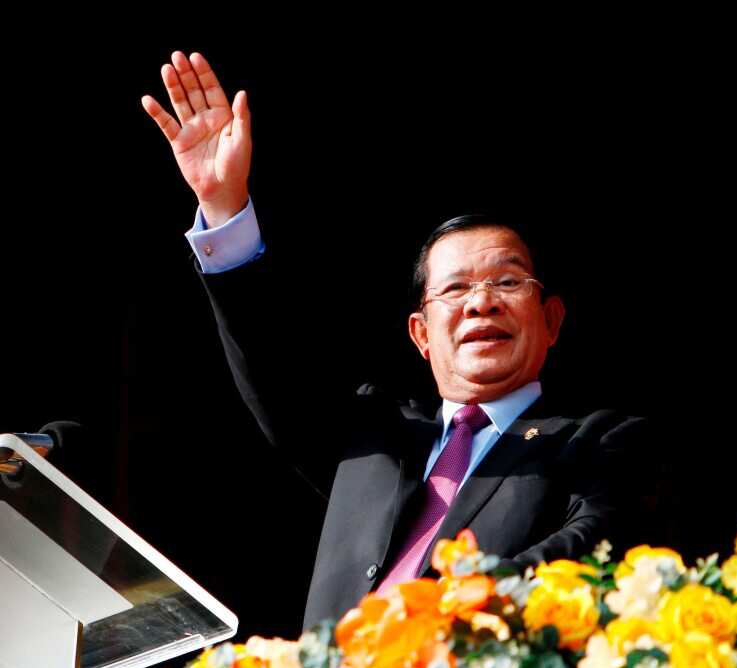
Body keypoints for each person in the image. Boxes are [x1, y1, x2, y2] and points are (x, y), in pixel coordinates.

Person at [141, 50, 657, 629]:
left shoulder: (596, 442)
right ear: (421, 334)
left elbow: (594, 545)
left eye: (507, 282)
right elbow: (271, 366)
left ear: (552, 320)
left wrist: (439, 614)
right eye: (455, 288)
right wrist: (223, 204)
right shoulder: (373, 437)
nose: (481, 302)